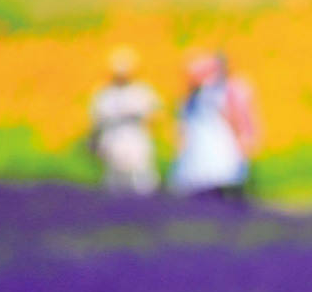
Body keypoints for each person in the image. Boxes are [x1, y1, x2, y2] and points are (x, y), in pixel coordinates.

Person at [171, 50, 260, 202]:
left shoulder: (217, 91)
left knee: (221, 182)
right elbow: (183, 125)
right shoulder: (190, 97)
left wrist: (243, 140)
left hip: (219, 146)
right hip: (199, 149)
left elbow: (234, 117)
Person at [89, 46, 161, 195]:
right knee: (115, 181)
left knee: (141, 178)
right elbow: (96, 121)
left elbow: (154, 115)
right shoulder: (105, 94)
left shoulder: (141, 91)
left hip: (136, 141)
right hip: (113, 141)